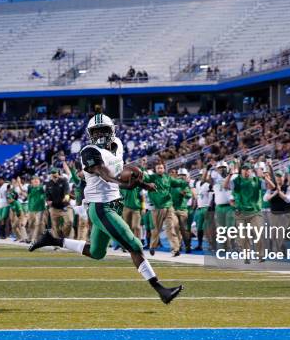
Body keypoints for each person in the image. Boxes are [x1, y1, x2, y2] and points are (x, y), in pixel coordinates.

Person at [28, 113, 183, 304]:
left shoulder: (117, 144)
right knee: (134, 245)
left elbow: (119, 168)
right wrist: (126, 185)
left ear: (112, 131)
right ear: (90, 134)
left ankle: (52, 239)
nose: (100, 135)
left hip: (114, 204)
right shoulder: (89, 151)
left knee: (97, 252)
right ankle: (161, 290)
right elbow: (105, 174)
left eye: (104, 130)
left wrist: (142, 184)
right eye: (96, 131)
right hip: (101, 207)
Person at [144, 161, 187, 257]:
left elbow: (180, 182)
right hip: (158, 208)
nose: (160, 169)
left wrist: (184, 185)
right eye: (158, 168)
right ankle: (152, 246)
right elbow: (144, 177)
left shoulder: (168, 178)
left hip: (169, 206)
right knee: (156, 229)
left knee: (171, 228)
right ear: (155, 169)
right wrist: (143, 168)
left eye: (161, 168)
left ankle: (175, 249)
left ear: (164, 169)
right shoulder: (152, 177)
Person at [224, 163, 263, 262]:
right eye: (244, 169)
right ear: (241, 171)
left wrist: (265, 175)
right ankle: (247, 256)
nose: (246, 171)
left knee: (258, 233)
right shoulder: (236, 182)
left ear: (251, 171)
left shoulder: (256, 180)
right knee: (243, 236)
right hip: (241, 212)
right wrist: (229, 175)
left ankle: (260, 255)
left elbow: (271, 186)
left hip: (254, 211)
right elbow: (225, 186)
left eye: (248, 169)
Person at [263, 169, 290, 253]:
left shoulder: (288, 187)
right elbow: (265, 199)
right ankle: (282, 248)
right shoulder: (271, 187)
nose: (279, 179)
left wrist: (280, 192)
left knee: (279, 231)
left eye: (280, 177)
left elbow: (288, 199)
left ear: (283, 178)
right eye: (277, 177)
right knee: (273, 232)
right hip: (274, 212)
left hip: (285, 213)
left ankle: (277, 250)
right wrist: (276, 192)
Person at [45, 167, 72, 238]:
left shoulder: (64, 181)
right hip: (54, 207)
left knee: (69, 222)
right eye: (52, 173)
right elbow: (47, 195)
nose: (54, 174)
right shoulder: (48, 184)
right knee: (55, 226)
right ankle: (57, 243)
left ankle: (63, 234)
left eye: (55, 172)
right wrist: (48, 201)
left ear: (58, 173)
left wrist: (66, 197)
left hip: (64, 206)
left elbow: (67, 191)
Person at [172, 168, 193, 253]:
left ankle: (188, 245)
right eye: (180, 175)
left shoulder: (186, 186)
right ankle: (178, 246)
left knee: (184, 229)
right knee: (175, 228)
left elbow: (189, 195)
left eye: (183, 175)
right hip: (173, 209)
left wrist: (184, 193)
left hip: (183, 209)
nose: (181, 177)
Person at [26, 176, 46, 243]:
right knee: (31, 224)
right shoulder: (30, 188)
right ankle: (30, 237)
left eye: (37, 180)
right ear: (32, 182)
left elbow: (45, 193)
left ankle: (34, 239)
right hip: (31, 209)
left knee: (38, 224)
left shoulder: (41, 188)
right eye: (34, 180)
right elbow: (28, 197)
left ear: (39, 182)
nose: (36, 181)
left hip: (40, 209)